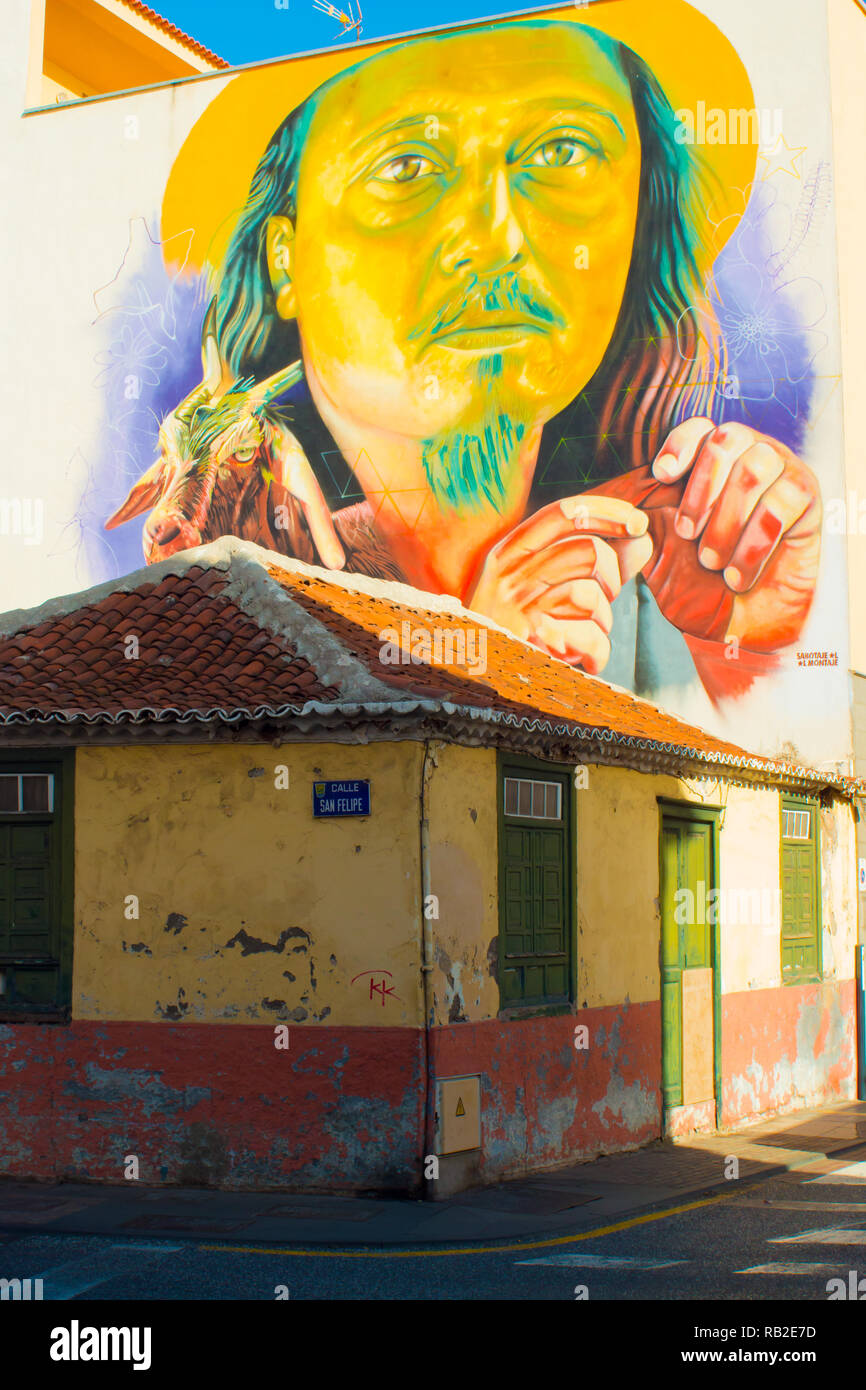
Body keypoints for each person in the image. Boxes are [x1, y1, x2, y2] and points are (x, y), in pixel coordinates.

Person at [128, 18, 824, 707]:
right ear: (285, 258)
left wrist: (742, 650)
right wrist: (482, 668)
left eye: (562, 153)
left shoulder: (656, 565)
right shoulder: (228, 592)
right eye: (407, 168)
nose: (496, 239)